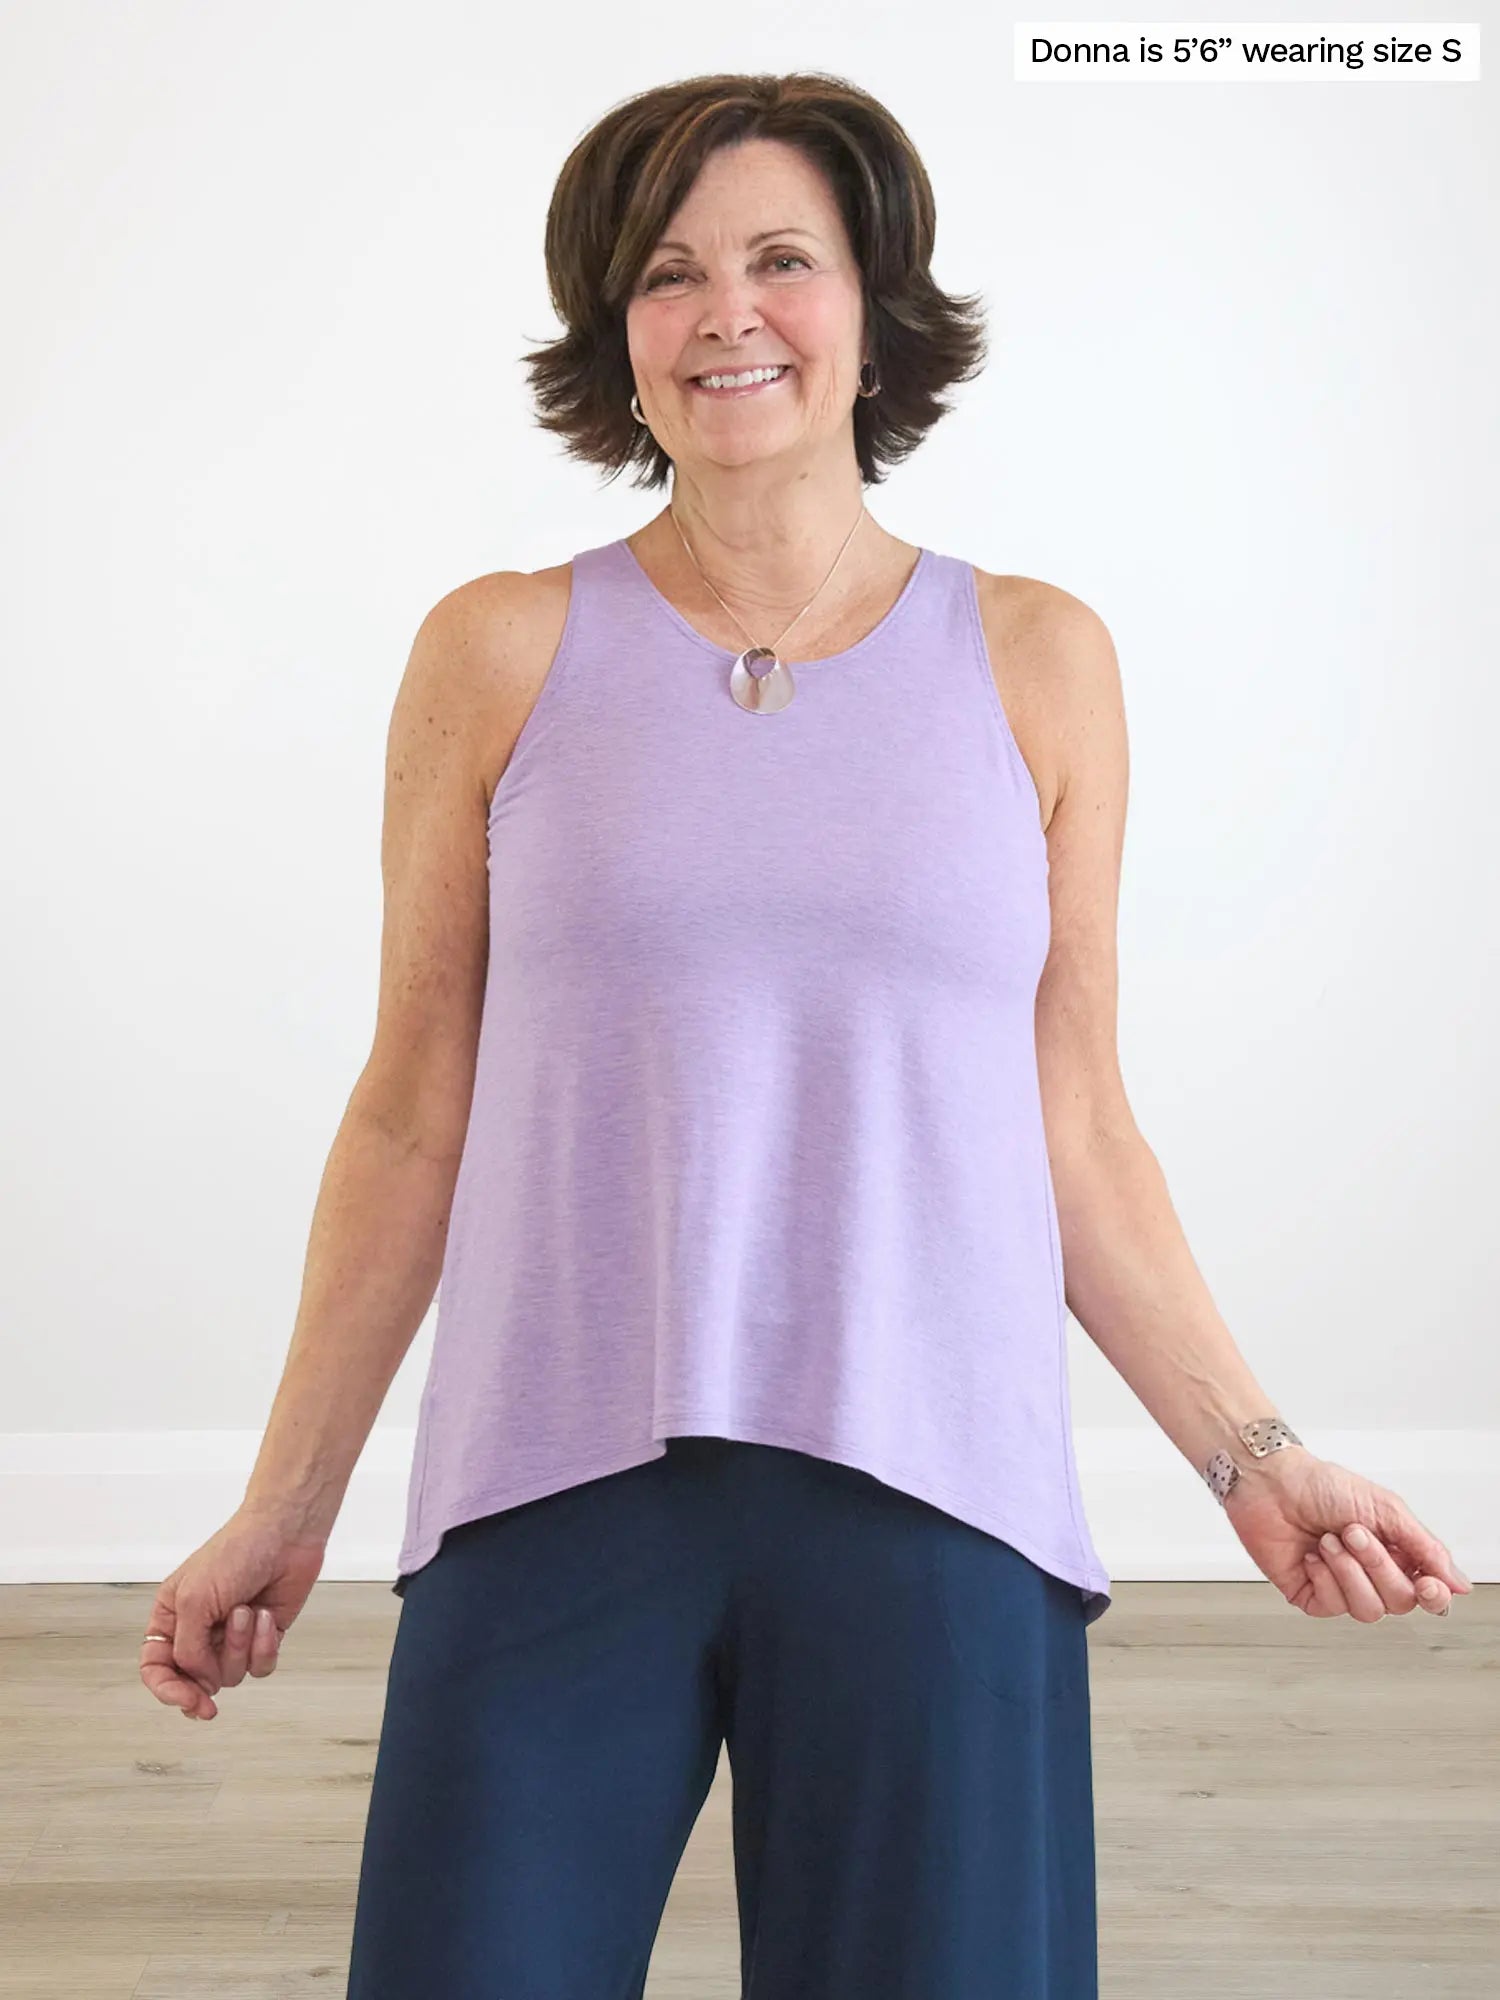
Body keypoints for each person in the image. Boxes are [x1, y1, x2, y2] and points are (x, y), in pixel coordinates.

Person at [138, 70, 1472, 1999]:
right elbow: (414, 1114)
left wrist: (1255, 1460)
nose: (727, 315)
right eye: (669, 274)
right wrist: (286, 1503)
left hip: (938, 1494)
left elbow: (1077, 1125)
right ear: (619, 329)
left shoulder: (1037, 660)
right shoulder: (499, 649)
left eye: (784, 260)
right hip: (554, 1478)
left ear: (874, 302)